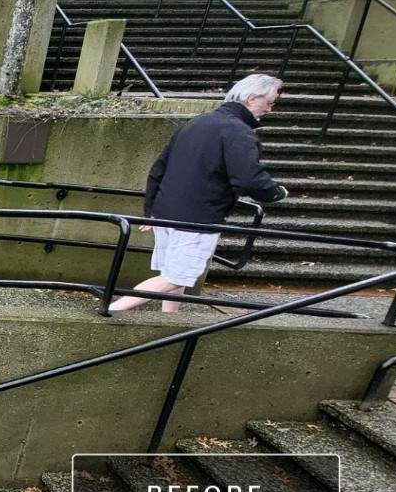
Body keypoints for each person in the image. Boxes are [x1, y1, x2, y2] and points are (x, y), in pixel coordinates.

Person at [109, 73, 288, 313]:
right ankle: (112, 308)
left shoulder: (196, 123)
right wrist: (276, 193)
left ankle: (168, 321)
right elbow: (248, 178)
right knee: (177, 277)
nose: (270, 109)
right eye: (270, 103)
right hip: (198, 218)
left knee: (173, 275)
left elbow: (159, 168)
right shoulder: (239, 132)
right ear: (253, 98)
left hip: (166, 213)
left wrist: (151, 211)